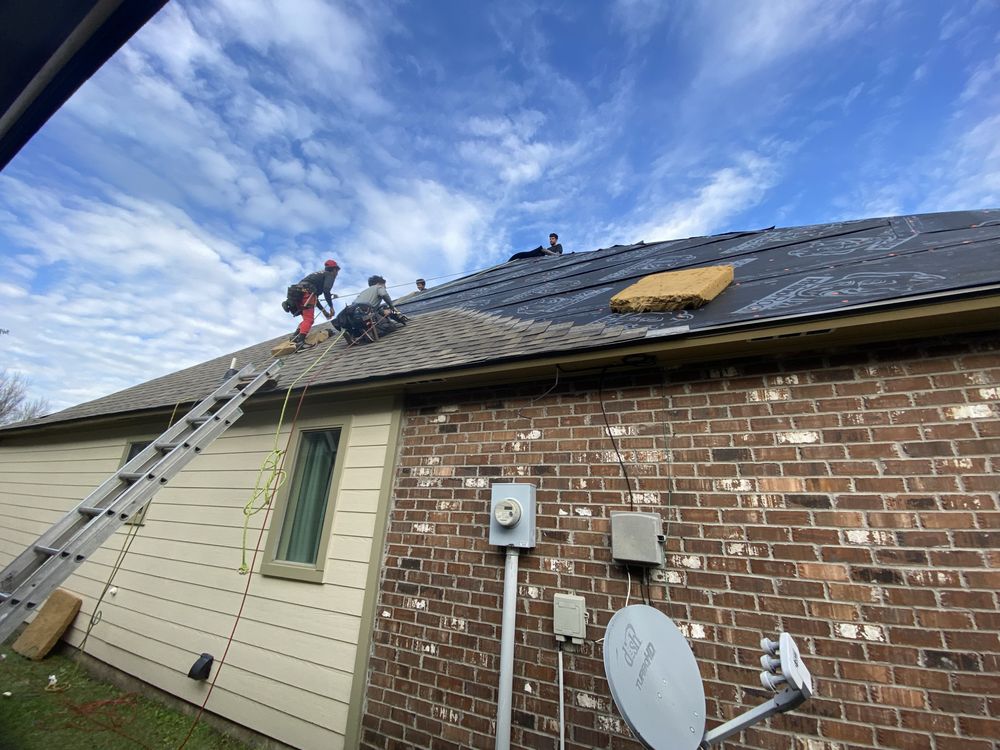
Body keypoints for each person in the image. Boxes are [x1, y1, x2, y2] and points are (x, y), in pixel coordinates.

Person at [332, 274, 407, 343]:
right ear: (379, 283)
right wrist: (391, 306)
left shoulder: (363, 292)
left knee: (361, 324)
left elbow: (354, 304)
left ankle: (353, 334)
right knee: (391, 326)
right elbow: (384, 294)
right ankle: (371, 333)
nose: (385, 287)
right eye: (385, 285)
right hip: (365, 312)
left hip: (351, 314)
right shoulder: (378, 287)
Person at [283, 259, 340, 346]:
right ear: (334, 270)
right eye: (337, 271)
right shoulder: (329, 275)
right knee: (309, 320)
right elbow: (326, 290)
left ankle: (296, 336)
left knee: (306, 319)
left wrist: (324, 311)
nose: (337, 274)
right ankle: (300, 340)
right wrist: (331, 307)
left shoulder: (317, 275)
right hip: (307, 294)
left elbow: (314, 297)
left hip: (298, 294)